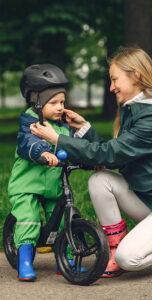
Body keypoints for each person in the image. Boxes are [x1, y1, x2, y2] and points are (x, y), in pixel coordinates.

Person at [30, 47, 152, 278]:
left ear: (136, 76)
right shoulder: (138, 110)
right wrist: (84, 129)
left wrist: (57, 139)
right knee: (100, 180)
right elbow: (115, 154)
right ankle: (115, 247)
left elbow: (111, 154)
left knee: (129, 259)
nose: (111, 87)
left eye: (114, 79)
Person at [8, 64, 70, 281]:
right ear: (37, 101)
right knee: (29, 219)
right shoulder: (30, 122)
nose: (60, 107)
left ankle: (66, 260)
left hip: (53, 186)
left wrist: (86, 157)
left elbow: (72, 145)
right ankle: (24, 261)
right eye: (53, 103)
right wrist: (43, 153)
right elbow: (28, 143)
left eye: (62, 102)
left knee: (63, 219)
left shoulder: (62, 125)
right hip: (27, 185)